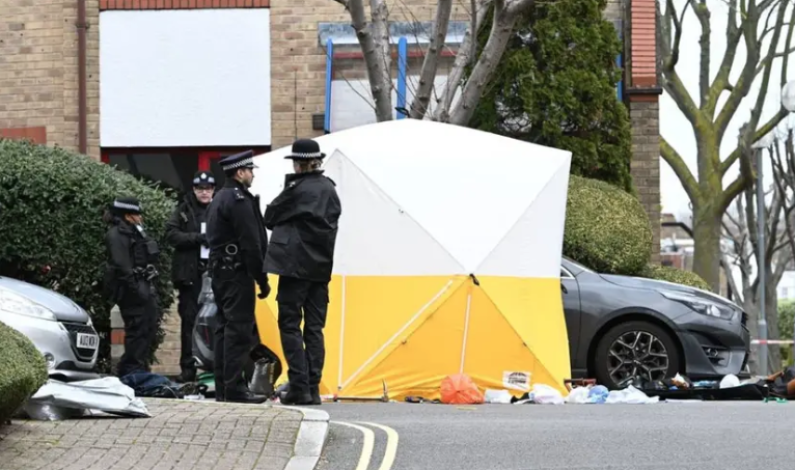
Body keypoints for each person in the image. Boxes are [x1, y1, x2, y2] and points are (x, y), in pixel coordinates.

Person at [264, 138, 342, 406]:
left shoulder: (297, 189)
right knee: (314, 330)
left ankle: (299, 386)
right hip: (320, 271)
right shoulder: (330, 189)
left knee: (289, 325)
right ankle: (313, 386)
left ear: (298, 163)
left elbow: (270, 216)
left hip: (295, 268)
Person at [206, 150, 271, 404]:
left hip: (221, 273)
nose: (252, 174)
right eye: (250, 170)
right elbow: (251, 244)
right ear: (240, 172)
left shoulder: (220, 198)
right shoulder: (238, 200)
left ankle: (224, 388)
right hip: (237, 273)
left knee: (224, 329)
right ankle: (235, 388)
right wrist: (261, 278)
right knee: (239, 332)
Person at [102, 196, 162, 378]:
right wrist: (137, 290)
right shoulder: (116, 234)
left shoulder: (133, 232)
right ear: (128, 216)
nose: (140, 218)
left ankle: (138, 369)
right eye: (137, 214)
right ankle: (130, 372)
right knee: (137, 331)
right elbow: (122, 266)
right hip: (131, 291)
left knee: (147, 328)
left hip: (142, 286)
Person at [165, 171, 216, 383]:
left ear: (213, 190)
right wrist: (198, 239)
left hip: (215, 274)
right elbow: (171, 235)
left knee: (216, 323)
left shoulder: (219, 208)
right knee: (189, 322)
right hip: (191, 276)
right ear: (194, 190)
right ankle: (188, 368)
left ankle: (215, 366)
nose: (204, 193)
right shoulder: (184, 210)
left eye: (208, 189)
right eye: (200, 189)